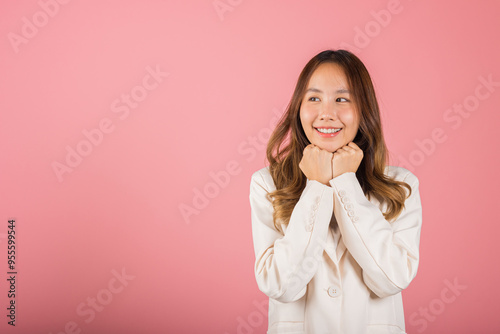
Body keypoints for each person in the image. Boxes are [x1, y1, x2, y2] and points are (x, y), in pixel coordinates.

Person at [249, 49, 422, 334]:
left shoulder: (400, 187)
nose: (326, 113)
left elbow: (392, 278)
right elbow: (279, 284)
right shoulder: (268, 184)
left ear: (364, 109)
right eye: (314, 98)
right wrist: (315, 187)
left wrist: (345, 182)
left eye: (342, 99)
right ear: (298, 108)